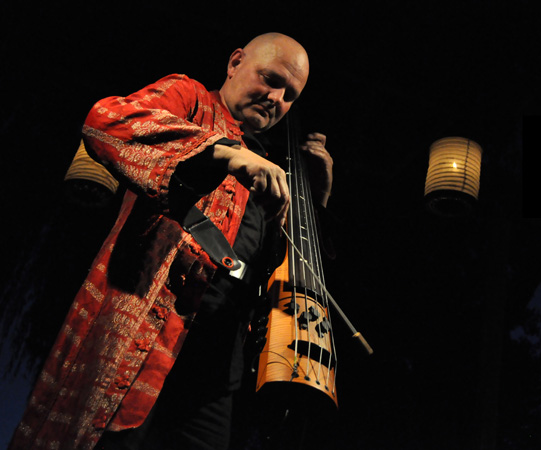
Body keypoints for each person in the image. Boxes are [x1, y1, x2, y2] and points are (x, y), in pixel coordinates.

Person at [9, 32, 333, 450]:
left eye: (290, 95)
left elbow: (301, 274)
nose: (276, 98)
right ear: (235, 62)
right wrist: (224, 152)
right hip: (144, 329)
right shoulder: (192, 98)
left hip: (218, 366)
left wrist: (317, 198)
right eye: (270, 79)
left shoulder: (272, 170)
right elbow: (107, 121)